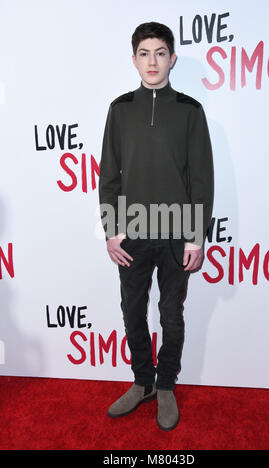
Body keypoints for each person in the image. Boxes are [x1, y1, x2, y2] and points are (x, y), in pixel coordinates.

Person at [98, 22, 214, 431]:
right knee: (132, 312)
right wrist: (112, 229)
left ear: (172, 58)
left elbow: (201, 178)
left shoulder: (189, 110)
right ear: (134, 59)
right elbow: (109, 173)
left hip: (177, 229)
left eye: (160, 52)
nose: (152, 61)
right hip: (130, 230)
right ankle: (142, 382)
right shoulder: (120, 109)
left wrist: (195, 236)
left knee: (171, 315)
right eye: (144, 53)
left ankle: (166, 385)